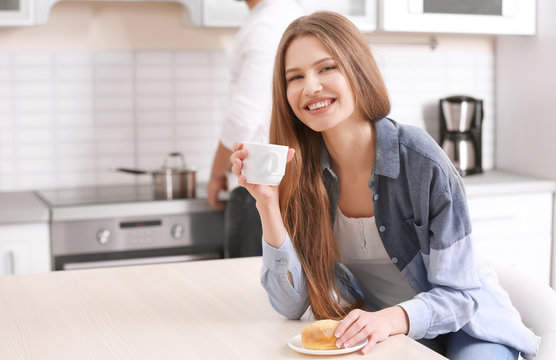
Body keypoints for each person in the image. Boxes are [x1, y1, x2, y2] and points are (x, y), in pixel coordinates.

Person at [229, 11, 540, 360]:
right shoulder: (302, 173)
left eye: (327, 68)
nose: (310, 86)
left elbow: (461, 297)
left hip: (470, 326)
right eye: (295, 76)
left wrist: (390, 319)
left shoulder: (422, 162)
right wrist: (267, 205)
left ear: (357, 70)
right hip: (390, 333)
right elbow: (289, 305)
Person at [207, 0, 304, 258]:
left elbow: (244, 115)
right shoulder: (279, 15)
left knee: (246, 286)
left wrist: (217, 173)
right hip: (276, 182)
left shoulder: (267, 24)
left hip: (259, 185)